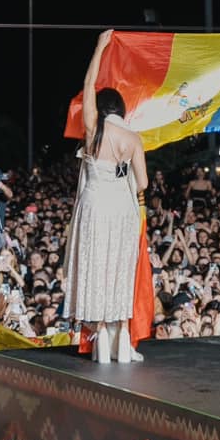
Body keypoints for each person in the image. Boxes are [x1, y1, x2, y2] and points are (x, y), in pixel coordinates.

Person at [64, 31, 148, 365]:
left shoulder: (94, 129)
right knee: (118, 272)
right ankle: (120, 341)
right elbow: (142, 182)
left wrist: (99, 47)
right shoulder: (133, 137)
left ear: (100, 107)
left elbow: (88, 86)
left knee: (95, 269)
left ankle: (99, 338)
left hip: (96, 207)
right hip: (122, 210)